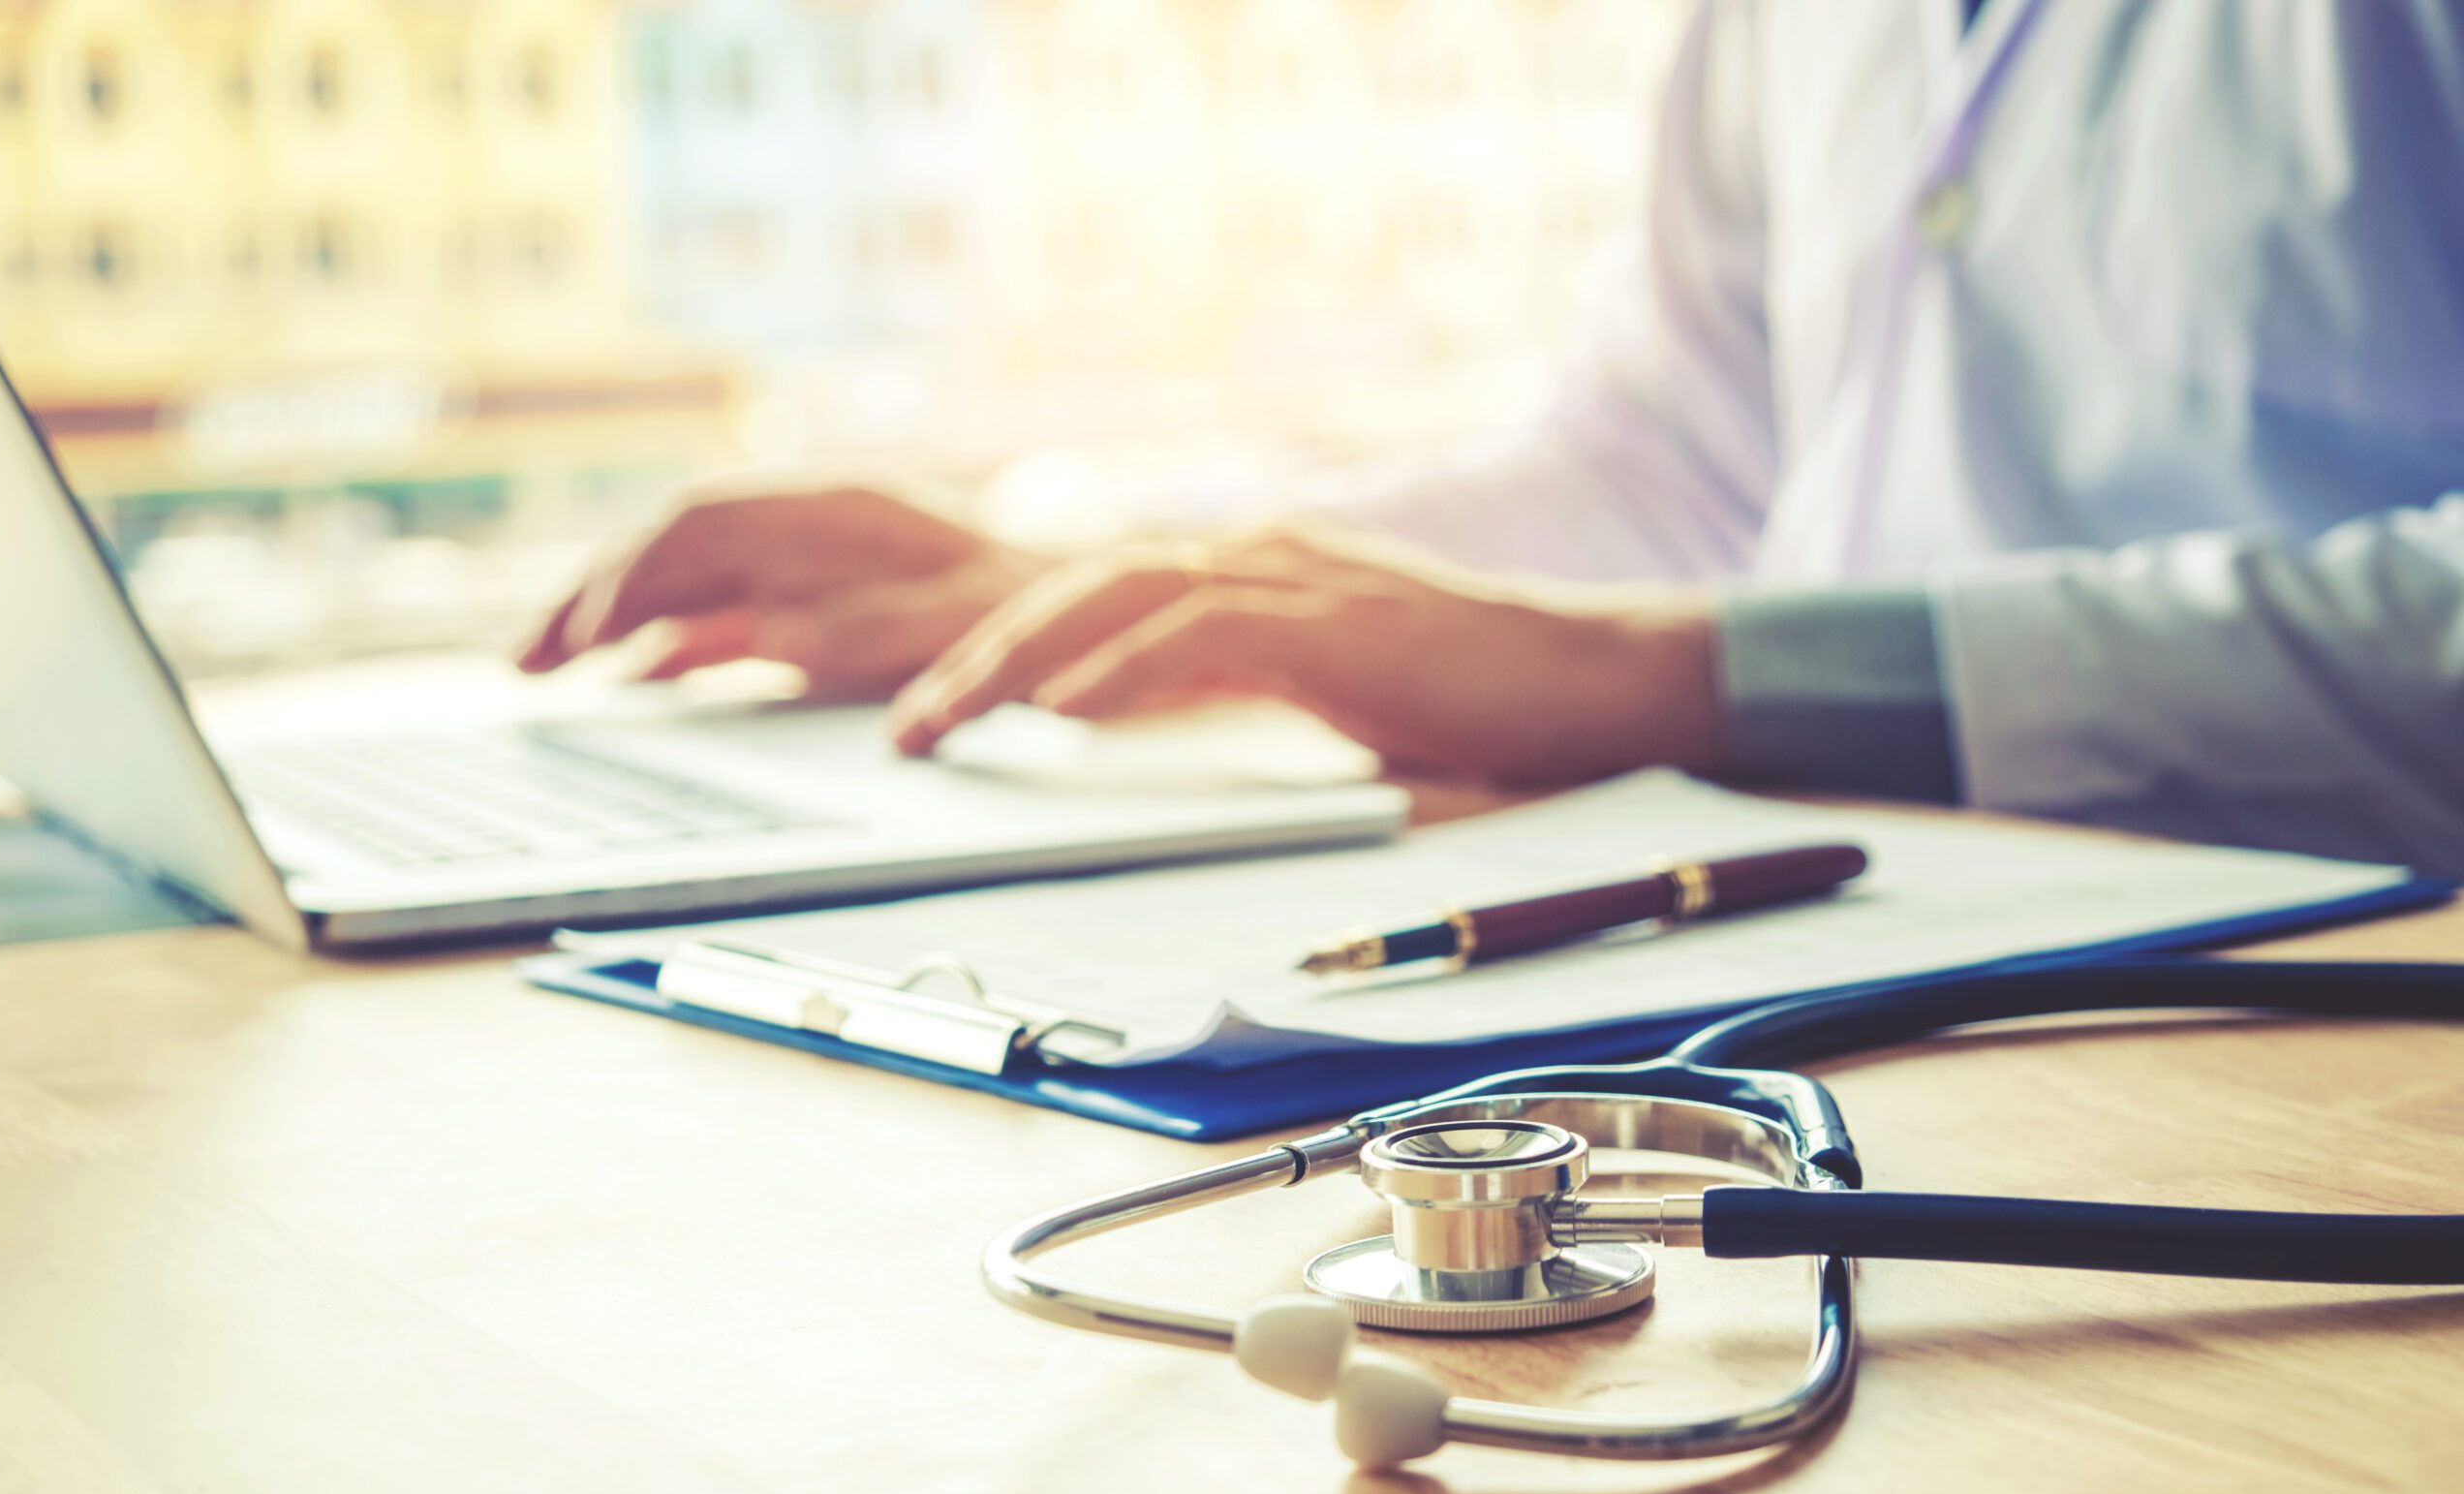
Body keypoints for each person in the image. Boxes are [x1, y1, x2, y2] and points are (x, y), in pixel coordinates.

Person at [522, 0, 2464, 875]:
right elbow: (1668, 462)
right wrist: (1092, 583)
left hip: (2351, 1030)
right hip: (1874, 938)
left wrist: (1675, 679)